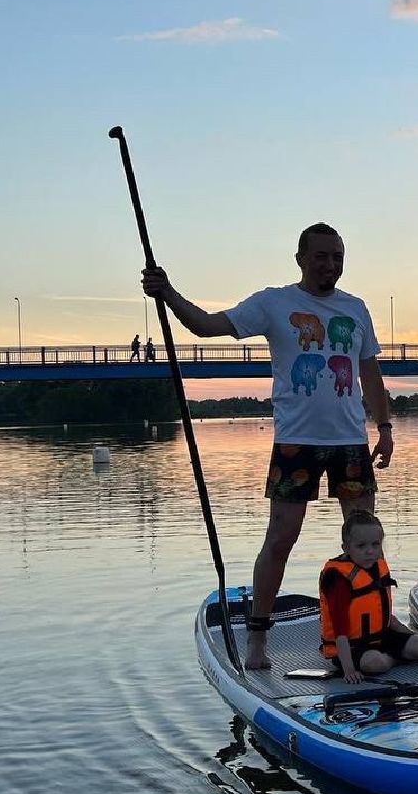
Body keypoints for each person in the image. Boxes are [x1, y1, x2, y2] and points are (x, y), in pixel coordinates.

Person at [141, 221, 395, 670]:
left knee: (366, 538)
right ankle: (258, 640)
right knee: (280, 539)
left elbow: (369, 373)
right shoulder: (273, 303)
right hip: (296, 444)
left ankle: (373, 631)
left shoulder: (355, 309)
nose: (330, 264)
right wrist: (169, 293)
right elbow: (206, 326)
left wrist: (386, 427)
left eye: (338, 256)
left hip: (350, 443)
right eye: (321, 256)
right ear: (300, 258)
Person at [319, 509, 418, 683]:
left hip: (381, 638)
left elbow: (385, 615)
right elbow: (340, 631)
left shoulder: (378, 567)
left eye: (375, 545)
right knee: (375, 663)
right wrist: (348, 671)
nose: (370, 551)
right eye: (361, 546)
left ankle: (390, 659)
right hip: (351, 648)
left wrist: (409, 635)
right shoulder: (338, 578)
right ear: (346, 548)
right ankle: (392, 660)